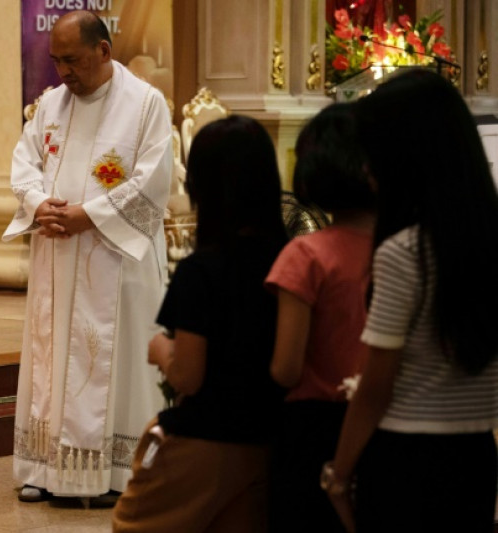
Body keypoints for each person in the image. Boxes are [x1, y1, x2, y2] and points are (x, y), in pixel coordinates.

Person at [2, 10, 173, 504]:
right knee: (51, 360)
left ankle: (115, 474)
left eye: (73, 60)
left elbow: (153, 180)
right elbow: (24, 163)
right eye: (56, 61)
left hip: (117, 261)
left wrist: (90, 215)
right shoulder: (51, 105)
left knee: (110, 362)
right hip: (58, 257)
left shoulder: (145, 105)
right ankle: (44, 466)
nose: (64, 73)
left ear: (104, 50)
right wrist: (40, 204)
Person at [323, 69, 498, 532]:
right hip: (477, 451)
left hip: (406, 457)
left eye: (374, 152)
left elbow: (378, 385)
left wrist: (338, 473)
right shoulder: (489, 243)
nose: (366, 168)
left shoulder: (405, 252)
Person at [113, 115, 288, 532]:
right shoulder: (292, 258)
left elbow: (189, 377)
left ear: (202, 187)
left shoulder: (203, 270)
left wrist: (161, 352)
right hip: (270, 440)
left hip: (206, 439)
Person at [264, 103, 374, 533]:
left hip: (313, 429)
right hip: (385, 421)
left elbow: (287, 368)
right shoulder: (405, 250)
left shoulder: (306, 255)